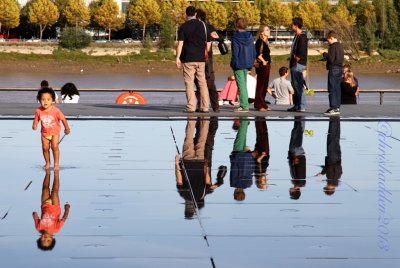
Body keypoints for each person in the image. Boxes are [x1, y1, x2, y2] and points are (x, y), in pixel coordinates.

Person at [176, 6, 211, 113]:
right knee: (202, 83)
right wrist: (205, 53)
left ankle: (191, 106)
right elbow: (208, 42)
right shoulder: (203, 25)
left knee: (189, 83)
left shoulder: (183, 27)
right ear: (195, 14)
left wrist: (177, 58)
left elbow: (180, 44)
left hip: (188, 58)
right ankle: (205, 107)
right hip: (200, 58)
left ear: (186, 14)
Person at [32, 87, 70, 170]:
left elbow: (63, 119)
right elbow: (36, 119)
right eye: (43, 99)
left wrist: (67, 128)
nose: (45, 101)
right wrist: (35, 125)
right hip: (44, 133)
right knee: (45, 148)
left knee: (54, 147)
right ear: (39, 100)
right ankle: (47, 162)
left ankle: (56, 164)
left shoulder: (56, 110)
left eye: (48, 99)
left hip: (55, 133)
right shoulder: (38, 110)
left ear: (52, 100)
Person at [33, 170, 70, 251]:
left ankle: (48, 173)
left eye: (43, 240)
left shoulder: (38, 227)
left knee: (45, 189)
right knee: (55, 192)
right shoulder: (56, 229)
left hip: (45, 204)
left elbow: (35, 217)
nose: (46, 238)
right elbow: (64, 219)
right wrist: (67, 209)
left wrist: (34, 215)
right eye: (48, 240)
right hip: (55, 206)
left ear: (40, 239)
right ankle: (56, 174)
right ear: (52, 239)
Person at [194, 9, 221, 112]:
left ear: (199, 17)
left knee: (206, 82)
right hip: (206, 58)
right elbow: (220, 39)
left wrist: (217, 38)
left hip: (204, 58)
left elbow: (220, 38)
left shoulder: (208, 27)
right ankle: (205, 105)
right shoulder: (208, 27)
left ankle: (212, 106)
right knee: (204, 83)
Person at [230, 18, 257, 112]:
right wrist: (252, 61)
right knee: (244, 84)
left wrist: (233, 63)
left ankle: (244, 105)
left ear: (237, 25)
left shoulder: (235, 38)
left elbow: (235, 53)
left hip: (238, 64)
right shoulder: (250, 36)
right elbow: (253, 50)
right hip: (247, 63)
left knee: (241, 85)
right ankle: (244, 104)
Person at [315, 118, 342, 195]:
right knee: (332, 138)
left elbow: (336, 168)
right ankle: (333, 120)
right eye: (326, 187)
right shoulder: (331, 179)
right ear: (329, 188)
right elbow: (330, 168)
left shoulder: (337, 178)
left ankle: (336, 120)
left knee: (336, 138)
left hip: (337, 157)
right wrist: (322, 172)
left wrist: (323, 171)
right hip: (332, 158)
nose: (325, 185)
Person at [230, 118, 254, 200]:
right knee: (240, 134)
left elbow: (251, 169)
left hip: (246, 156)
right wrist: (232, 157)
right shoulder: (234, 183)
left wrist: (250, 154)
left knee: (243, 135)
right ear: (235, 193)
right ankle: (244, 118)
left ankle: (245, 121)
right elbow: (234, 169)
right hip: (237, 155)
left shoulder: (249, 183)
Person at [288, 17, 308, 112]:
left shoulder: (302, 37)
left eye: (292, 24)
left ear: (296, 25)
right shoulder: (296, 36)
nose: (291, 26)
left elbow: (301, 52)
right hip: (294, 64)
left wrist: (296, 59)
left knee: (299, 85)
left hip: (298, 64)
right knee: (294, 85)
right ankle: (296, 105)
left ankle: (302, 106)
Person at [322, 30, 344, 116]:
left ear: (331, 38)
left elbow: (331, 59)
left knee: (332, 88)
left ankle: (334, 107)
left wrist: (324, 54)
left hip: (333, 69)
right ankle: (337, 107)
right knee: (337, 88)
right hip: (339, 68)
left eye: (328, 40)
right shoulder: (340, 46)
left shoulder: (332, 46)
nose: (327, 41)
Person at [288, 116, 306, 200]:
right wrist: (295, 157)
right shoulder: (299, 182)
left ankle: (298, 118)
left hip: (295, 154)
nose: (289, 191)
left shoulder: (298, 182)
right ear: (294, 191)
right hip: (297, 154)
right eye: (291, 193)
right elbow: (299, 168)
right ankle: (300, 118)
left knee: (295, 133)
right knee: (298, 133)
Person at [254, 25, 271, 111]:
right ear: (262, 32)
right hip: (262, 66)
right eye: (267, 30)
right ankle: (258, 105)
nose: (269, 31)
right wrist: (263, 61)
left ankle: (263, 103)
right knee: (261, 85)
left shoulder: (265, 42)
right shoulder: (260, 42)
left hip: (266, 66)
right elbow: (257, 54)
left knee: (265, 85)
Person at [252, 117, 270, 190]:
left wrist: (262, 155)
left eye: (263, 182)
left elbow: (258, 161)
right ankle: (262, 119)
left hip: (263, 151)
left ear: (259, 181)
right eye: (266, 182)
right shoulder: (261, 173)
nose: (265, 180)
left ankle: (259, 119)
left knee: (262, 134)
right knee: (263, 134)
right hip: (265, 152)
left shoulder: (258, 172)